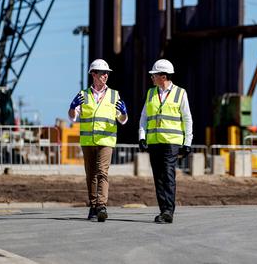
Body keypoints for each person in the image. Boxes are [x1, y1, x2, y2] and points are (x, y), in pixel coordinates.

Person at [68, 59, 128, 222]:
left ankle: (101, 206)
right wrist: (72, 108)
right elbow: (73, 118)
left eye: (107, 73)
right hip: (88, 142)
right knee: (91, 175)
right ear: (93, 74)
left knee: (102, 172)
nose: (105, 76)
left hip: (106, 140)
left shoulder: (114, 95)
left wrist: (123, 112)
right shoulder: (83, 95)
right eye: (102, 73)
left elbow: (122, 120)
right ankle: (93, 206)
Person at [138, 59, 193, 224]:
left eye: (154, 75)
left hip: (171, 142)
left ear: (163, 76)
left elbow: (187, 118)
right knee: (158, 177)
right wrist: (142, 136)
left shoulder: (180, 93)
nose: (152, 78)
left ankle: (169, 211)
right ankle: (164, 210)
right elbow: (144, 117)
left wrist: (187, 142)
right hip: (154, 142)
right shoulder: (150, 93)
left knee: (168, 175)